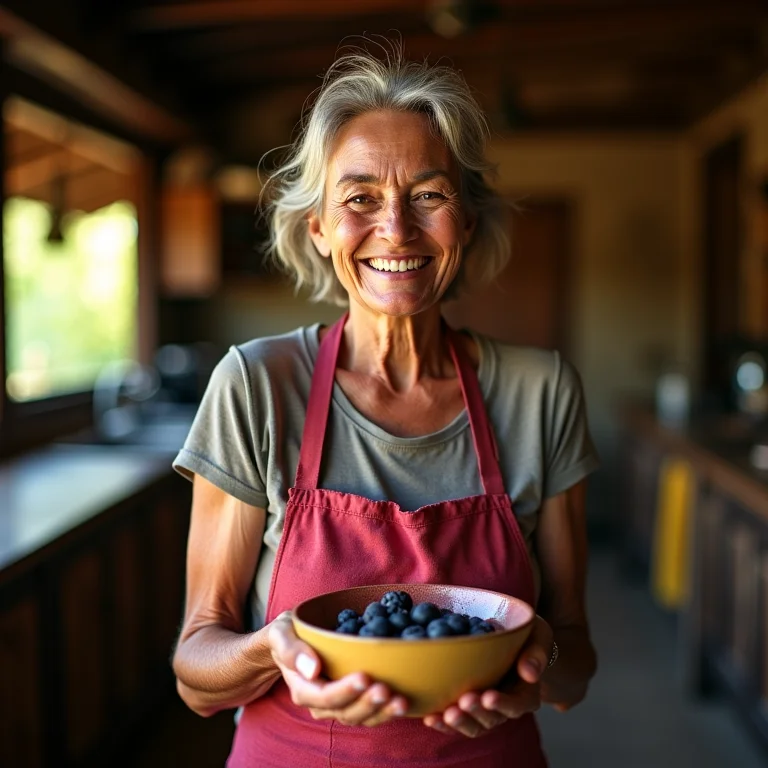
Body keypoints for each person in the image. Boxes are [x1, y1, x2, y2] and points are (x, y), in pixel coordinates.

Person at [171, 45, 599, 768]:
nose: (396, 229)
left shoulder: (541, 391)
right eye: (360, 198)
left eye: (429, 195)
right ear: (318, 227)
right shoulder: (255, 384)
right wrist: (272, 649)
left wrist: (535, 667)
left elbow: (575, 661)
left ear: (466, 221)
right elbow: (195, 673)